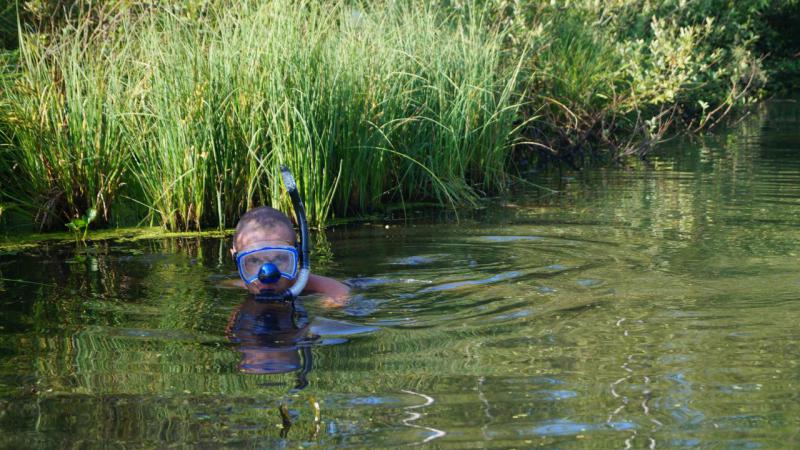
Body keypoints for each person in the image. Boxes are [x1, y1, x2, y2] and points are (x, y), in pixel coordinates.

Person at [230, 206, 350, 305]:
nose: (268, 274)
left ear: (298, 256)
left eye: (280, 258)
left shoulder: (301, 282)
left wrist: (332, 304)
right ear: (235, 259)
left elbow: (341, 291)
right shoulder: (249, 283)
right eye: (254, 260)